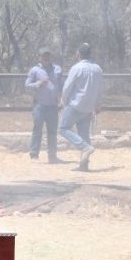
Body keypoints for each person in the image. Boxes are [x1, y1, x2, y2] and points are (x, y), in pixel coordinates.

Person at [59, 43, 104, 171]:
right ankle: (84, 165)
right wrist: (97, 104)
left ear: (78, 54)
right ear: (90, 54)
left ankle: (85, 147)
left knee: (63, 128)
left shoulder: (76, 68)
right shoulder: (97, 69)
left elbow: (68, 87)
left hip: (75, 104)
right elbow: (100, 89)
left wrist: (63, 100)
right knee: (84, 134)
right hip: (89, 107)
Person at [25, 47, 63, 163]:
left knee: (52, 132)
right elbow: (27, 85)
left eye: (48, 56)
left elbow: (62, 86)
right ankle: (34, 155)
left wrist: (62, 99)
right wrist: (38, 83)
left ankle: (52, 156)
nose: (46, 58)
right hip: (39, 106)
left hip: (53, 105)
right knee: (37, 130)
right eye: (43, 56)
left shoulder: (57, 69)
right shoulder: (34, 70)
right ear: (39, 57)